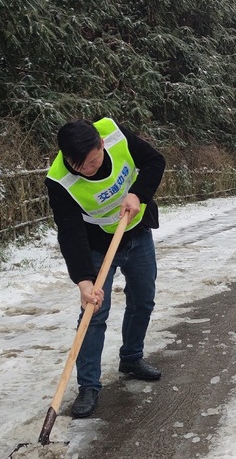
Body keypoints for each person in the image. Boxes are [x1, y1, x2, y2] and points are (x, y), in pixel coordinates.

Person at [46, 118, 166, 419]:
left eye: (91, 162)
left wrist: (138, 193)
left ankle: (132, 357)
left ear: (101, 144)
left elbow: (154, 161)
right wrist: (84, 281)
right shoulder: (60, 180)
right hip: (97, 245)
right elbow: (69, 232)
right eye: (77, 165)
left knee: (143, 299)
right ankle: (89, 386)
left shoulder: (114, 135)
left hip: (137, 232)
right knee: (93, 312)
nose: (85, 169)